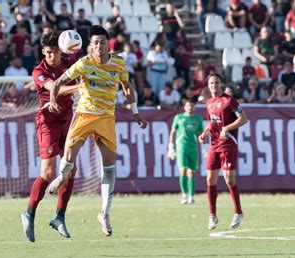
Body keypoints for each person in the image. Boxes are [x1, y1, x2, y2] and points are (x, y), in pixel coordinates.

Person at [46, 25, 148, 237]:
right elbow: (57, 83)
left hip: (106, 118)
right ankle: (61, 177)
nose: (98, 46)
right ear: (90, 46)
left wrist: (136, 112)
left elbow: (127, 86)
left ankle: (104, 212)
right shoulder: (84, 63)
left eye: (102, 42)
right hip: (84, 115)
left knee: (109, 168)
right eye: (95, 43)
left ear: (108, 43)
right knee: (68, 158)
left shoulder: (119, 62)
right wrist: (54, 101)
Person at [19, 32, 81, 242]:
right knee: (48, 172)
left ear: (61, 50)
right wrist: (80, 86)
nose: (49, 57)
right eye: (46, 53)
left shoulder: (69, 64)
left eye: (53, 52)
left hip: (67, 119)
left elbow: (83, 73)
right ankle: (29, 213)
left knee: (70, 170)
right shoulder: (39, 71)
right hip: (47, 122)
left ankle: (59, 217)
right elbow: (54, 87)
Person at [198, 73, 248, 230]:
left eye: (217, 83)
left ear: (221, 84)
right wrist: (205, 133)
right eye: (211, 83)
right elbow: (212, 122)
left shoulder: (229, 100)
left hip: (228, 144)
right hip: (214, 145)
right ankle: (212, 215)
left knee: (229, 179)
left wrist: (227, 128)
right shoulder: (209, 102)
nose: (214, 85)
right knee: (210, 179)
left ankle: (238, 212)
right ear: (208, 85)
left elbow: (243, 119)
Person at [168, 100, 204, 204]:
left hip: (193, 148)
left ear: (195, 107)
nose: (190, 107)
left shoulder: (198, 119)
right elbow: (173, 132)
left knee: (192, 172)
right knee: (183, 170)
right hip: (181, 148)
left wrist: (206, 147)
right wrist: (171, 147)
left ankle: (191, 196)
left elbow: (201, 134)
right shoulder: (179, 118)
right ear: (185, 107)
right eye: (188, 105)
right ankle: (184, 195)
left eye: (192, 105)